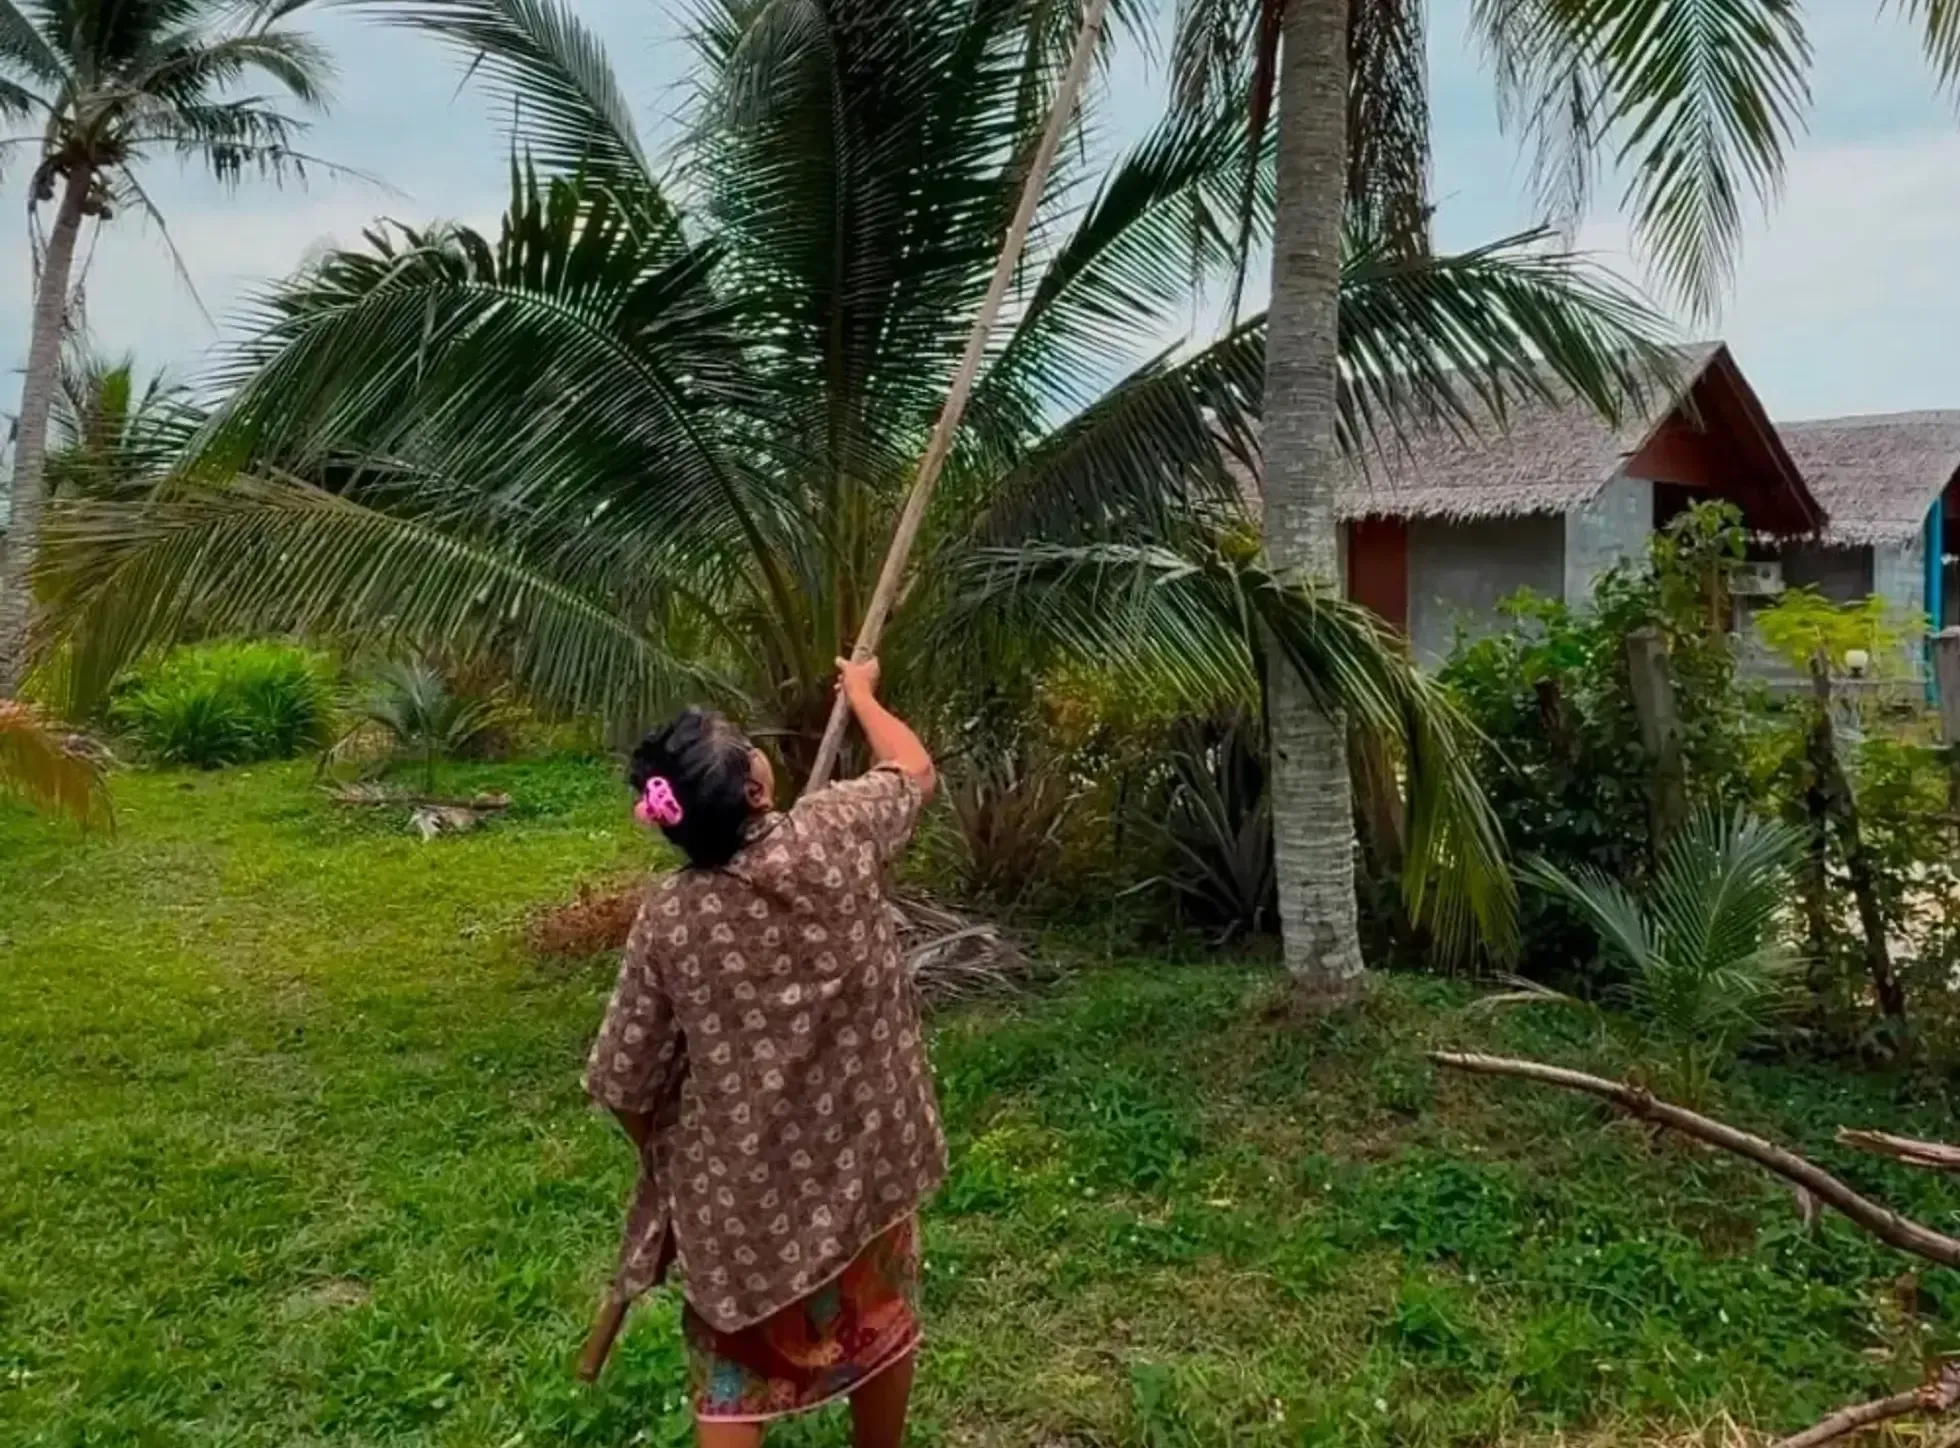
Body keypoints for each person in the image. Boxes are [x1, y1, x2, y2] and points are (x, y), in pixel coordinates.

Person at [583, 657, 943, 1448]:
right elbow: (914, 769)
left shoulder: (670, 918)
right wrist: (863, 696)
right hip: (864, 1167)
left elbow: (622, 1080)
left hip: (743, 1213)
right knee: (875, 1319)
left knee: (732, 1380)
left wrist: (670, 1163)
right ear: (756, 788)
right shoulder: (834, 832)